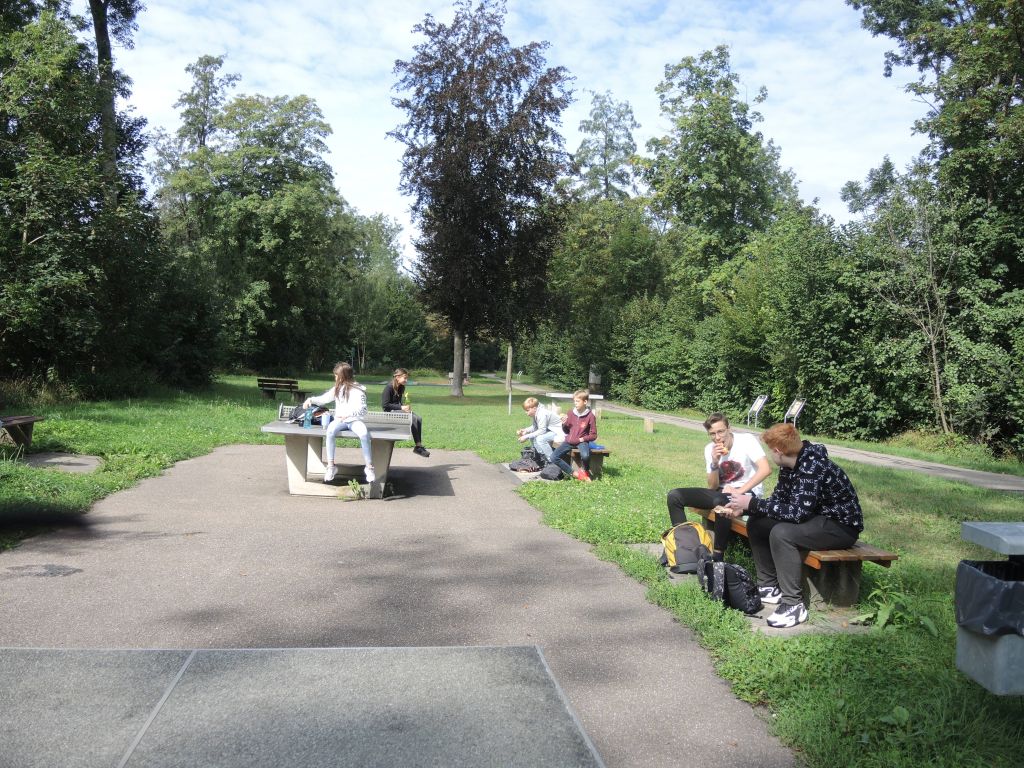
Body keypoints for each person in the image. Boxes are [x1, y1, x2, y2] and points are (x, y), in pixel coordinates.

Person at [722, 422, 863, 629]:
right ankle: (769, 587)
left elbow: (797, 513)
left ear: (778, 451)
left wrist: (752, 503)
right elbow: (778, 501)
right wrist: (744, 509)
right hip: (815, 519)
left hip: (840, 526)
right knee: (758, 522)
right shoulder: (789, 465)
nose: (770, 455)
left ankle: (793, 604)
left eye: (770, 450)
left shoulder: (812, 466)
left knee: (782, 533)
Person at [665, 412, 771, 561]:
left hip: (747, 493)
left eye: (721, 431)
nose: (717, 437)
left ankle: (717, 557)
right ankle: (685, 548)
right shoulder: (710, 449)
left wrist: (738, 491)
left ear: (729, 428)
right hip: (720, 493)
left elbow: (766, 469)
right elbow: (712, 486)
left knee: (722, 502)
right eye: (712, 434)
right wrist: (714, 462)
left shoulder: (746, 440)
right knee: (675, 496)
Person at [303, 362, 375, 484]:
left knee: (363, 434)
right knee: (330, 431)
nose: (335, 377)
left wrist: (349, 414)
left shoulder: (359, 389)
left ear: (343, 376)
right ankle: (331, 466)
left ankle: (369, 467)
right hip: (339, 421)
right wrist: (310, 399)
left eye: (336, 375)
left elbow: (363, 410)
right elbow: (324, 399)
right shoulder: (337, 388)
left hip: (355, 420)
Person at [549, 390, 598, 482]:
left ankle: (585, 471)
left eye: (578, 401)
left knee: (585, 456)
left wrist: (582, 439)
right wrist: (564, 424)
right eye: (574, 401)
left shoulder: (590, 416)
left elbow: (594, 435)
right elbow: (566, 431)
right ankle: (575, 474)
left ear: (585, 402)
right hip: (569, 441)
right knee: (553, 457)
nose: (575, 403)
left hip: (581, 441)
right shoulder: (570, 413)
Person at [381, 368, 430, 457]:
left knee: (418, 418)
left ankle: (418, 446)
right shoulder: (389, 387)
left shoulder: (401, 387)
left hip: (397, 411)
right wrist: (401, 407)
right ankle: (418, 446)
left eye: (407, 378)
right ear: (397, 377)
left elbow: (397, 403)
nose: (406, 380)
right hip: (389, 412)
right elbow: (385, 405)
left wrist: (405, 408)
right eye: (405, 378)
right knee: (412, 418)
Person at [516, 397, 562, 463]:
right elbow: (535, 427)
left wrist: (526, 436)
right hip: (551, 430)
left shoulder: (541, 414)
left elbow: (542, 430)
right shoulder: (536, 413)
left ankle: (552, 460)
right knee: (533, 436)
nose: (526, 412)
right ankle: (540, 457)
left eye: (527, 410)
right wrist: (526, 430)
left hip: (559, 432)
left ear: (534, 408)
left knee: (540, 439)